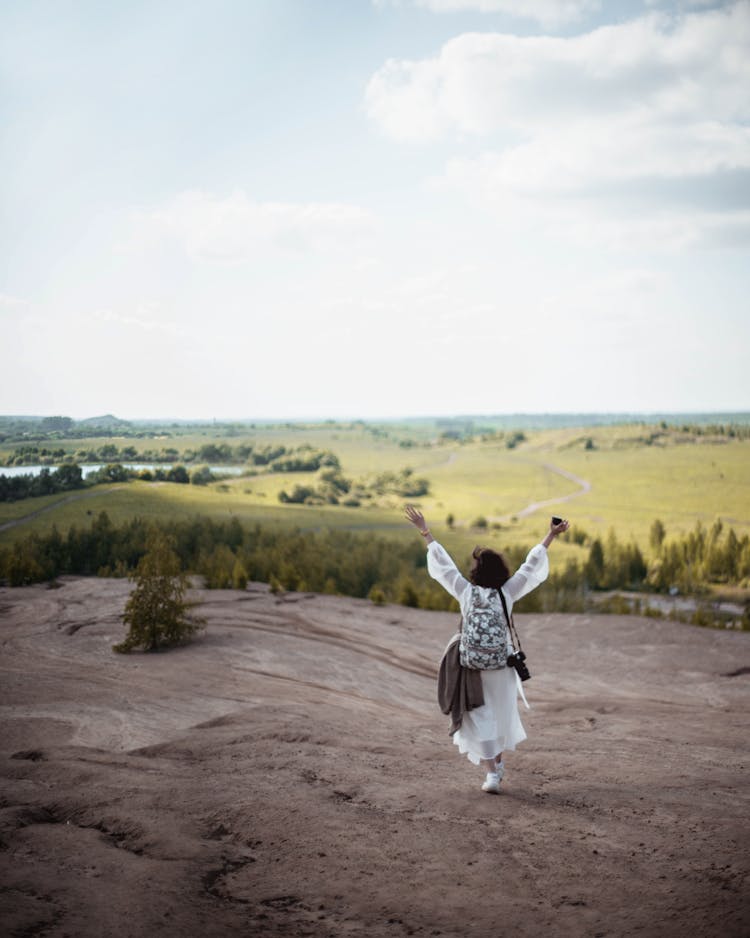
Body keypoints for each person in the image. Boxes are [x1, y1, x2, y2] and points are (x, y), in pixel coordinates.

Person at [405, 504, 569, 794]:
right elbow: (530, 566)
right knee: (500, 717)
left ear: (476, 572)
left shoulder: (466, 592)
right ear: (501, 572)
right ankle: (496, 766)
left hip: (474, 668)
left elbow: (444, 567)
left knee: (481, 719)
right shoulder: (507, 593)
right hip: (502, 667)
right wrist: (550, 535)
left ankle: (492, 773)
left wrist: (425, 531)